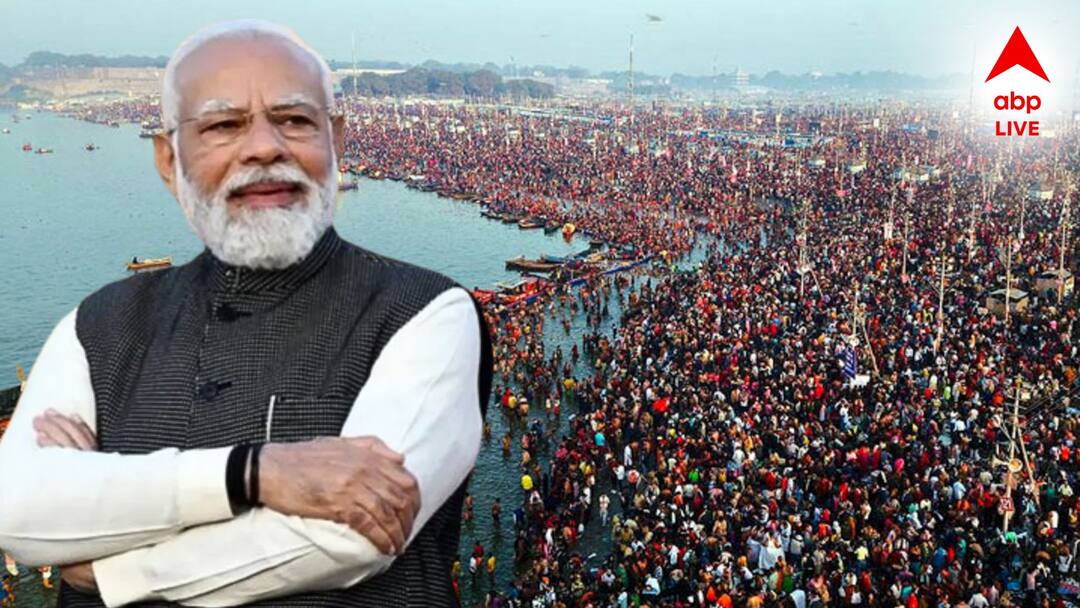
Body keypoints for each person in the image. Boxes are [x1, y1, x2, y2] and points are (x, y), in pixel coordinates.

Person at [0, 20, 491, 608]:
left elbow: (353, 536)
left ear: (337, 139)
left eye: (295, 120)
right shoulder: (97, 324)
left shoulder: (427, 313)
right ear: (167, 158)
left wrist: (109, 567)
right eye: (223, 124)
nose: (264, 146)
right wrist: (253, 474)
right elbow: (16, 509)